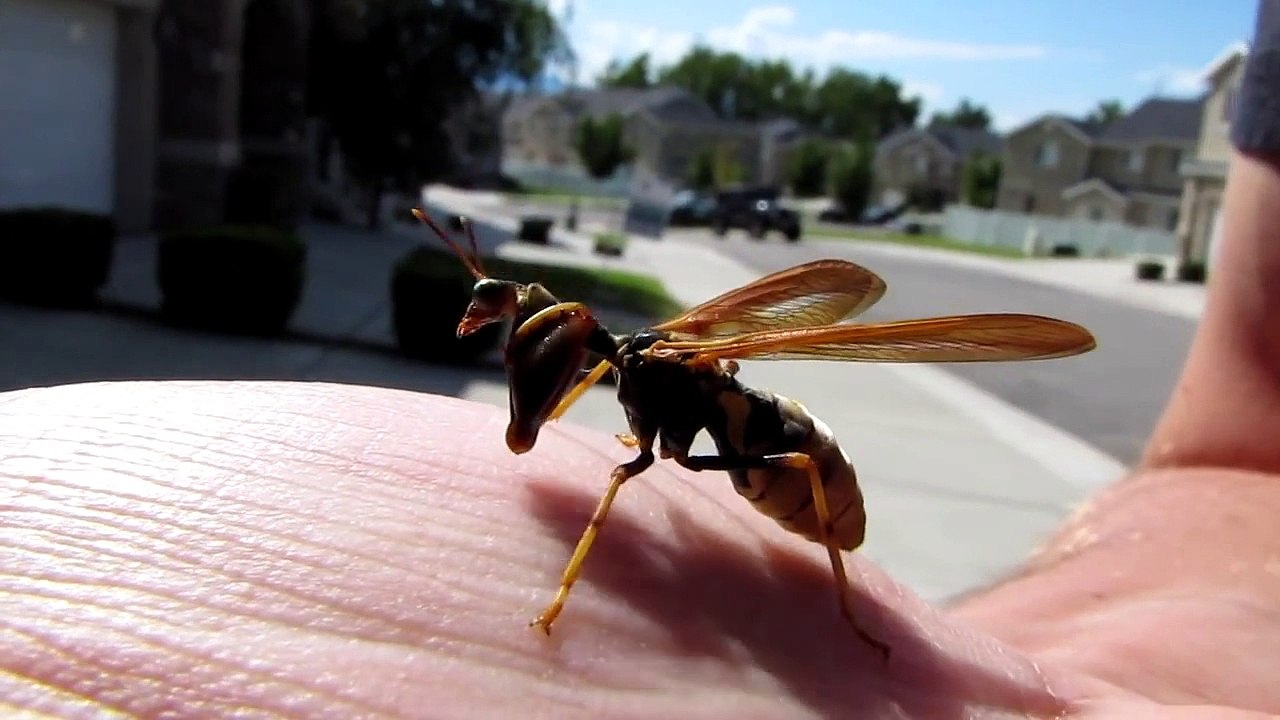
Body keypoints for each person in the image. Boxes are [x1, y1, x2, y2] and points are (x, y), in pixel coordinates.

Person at [6, 8, 1280, 719]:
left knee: (722, 472)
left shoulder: (669, 390)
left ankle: (839, 603)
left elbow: (819, 341)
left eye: (535, 343)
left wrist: (842, 615)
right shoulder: (613, 367)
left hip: (792, 466)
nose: (538, 359)